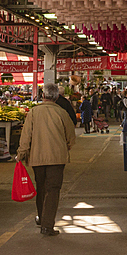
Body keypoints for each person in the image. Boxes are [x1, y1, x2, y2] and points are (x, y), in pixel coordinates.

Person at [17, 83, 76, 237]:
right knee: (53, 190)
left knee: (41, 187)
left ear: (43, 96)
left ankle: (42, 218)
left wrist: (21, 154)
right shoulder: (62, 113)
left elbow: (26, 136)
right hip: (57, 158)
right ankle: (47, 225)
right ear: (56, 97)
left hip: (37, 158)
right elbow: (71, 137)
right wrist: (66, 146)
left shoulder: (33, 113)